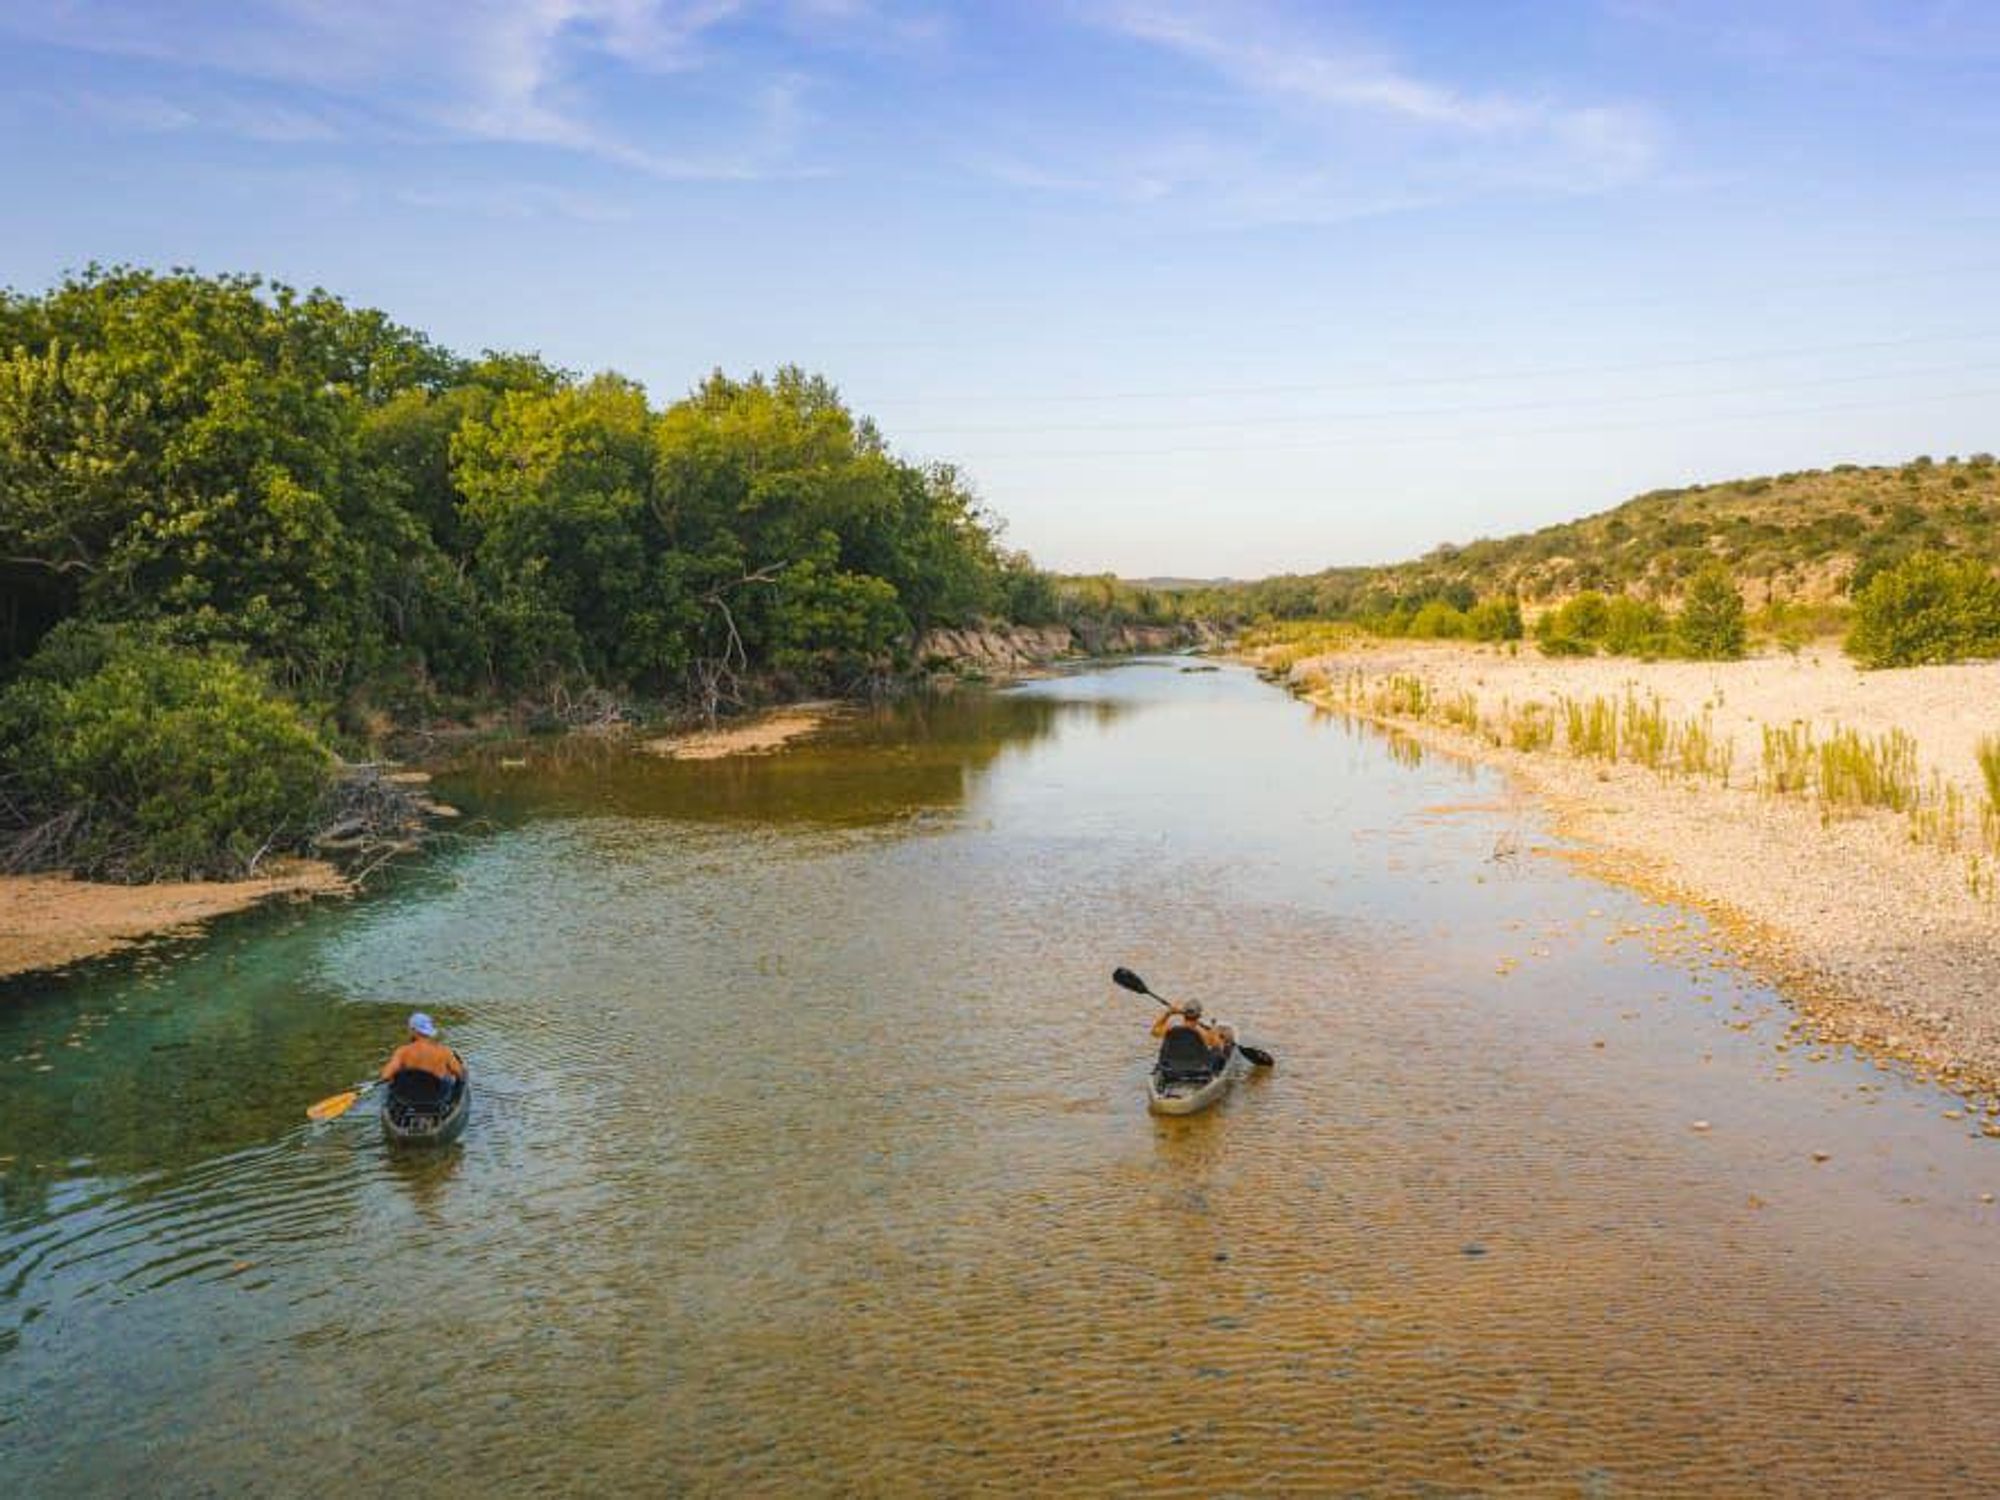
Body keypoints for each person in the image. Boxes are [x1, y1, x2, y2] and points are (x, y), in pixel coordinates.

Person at [380, 1012, 464, 1084]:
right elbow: (460, 1074)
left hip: (408, 1096)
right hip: (437, 1097)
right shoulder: (444, 1051)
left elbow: (385, 1075)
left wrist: (395, 1076)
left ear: (413, 1030)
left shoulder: (402, 1051)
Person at [1151, 999, 1231, 1054]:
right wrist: (1214, 1031)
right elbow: (1219, 1047)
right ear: (1199, 1015)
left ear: (1183, 1015)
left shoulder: (1171, 1031)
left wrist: (1168, 1013)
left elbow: (1154, 1031)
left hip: (1172, 1069)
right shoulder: (1204, 1035)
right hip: (1196, 1069)